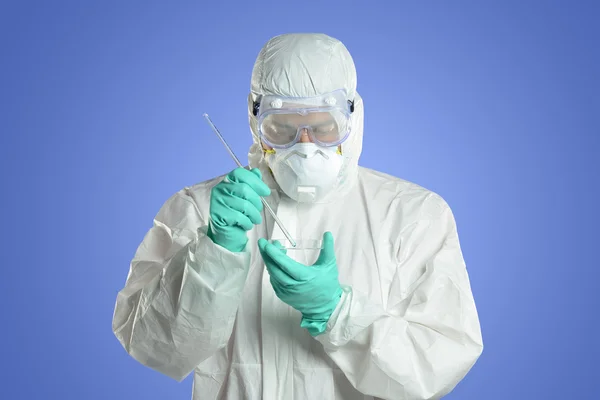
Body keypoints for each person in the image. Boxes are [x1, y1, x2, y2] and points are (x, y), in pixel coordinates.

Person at [112, 33, 483, 400]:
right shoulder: (199, 208)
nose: (305, 146)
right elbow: (151, 348)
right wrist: (213, 254)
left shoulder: (411, 215)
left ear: (353, 116)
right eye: (283, 129)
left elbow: (437, 367)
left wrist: (338, 312)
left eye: (324, 128)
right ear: (255, 118)